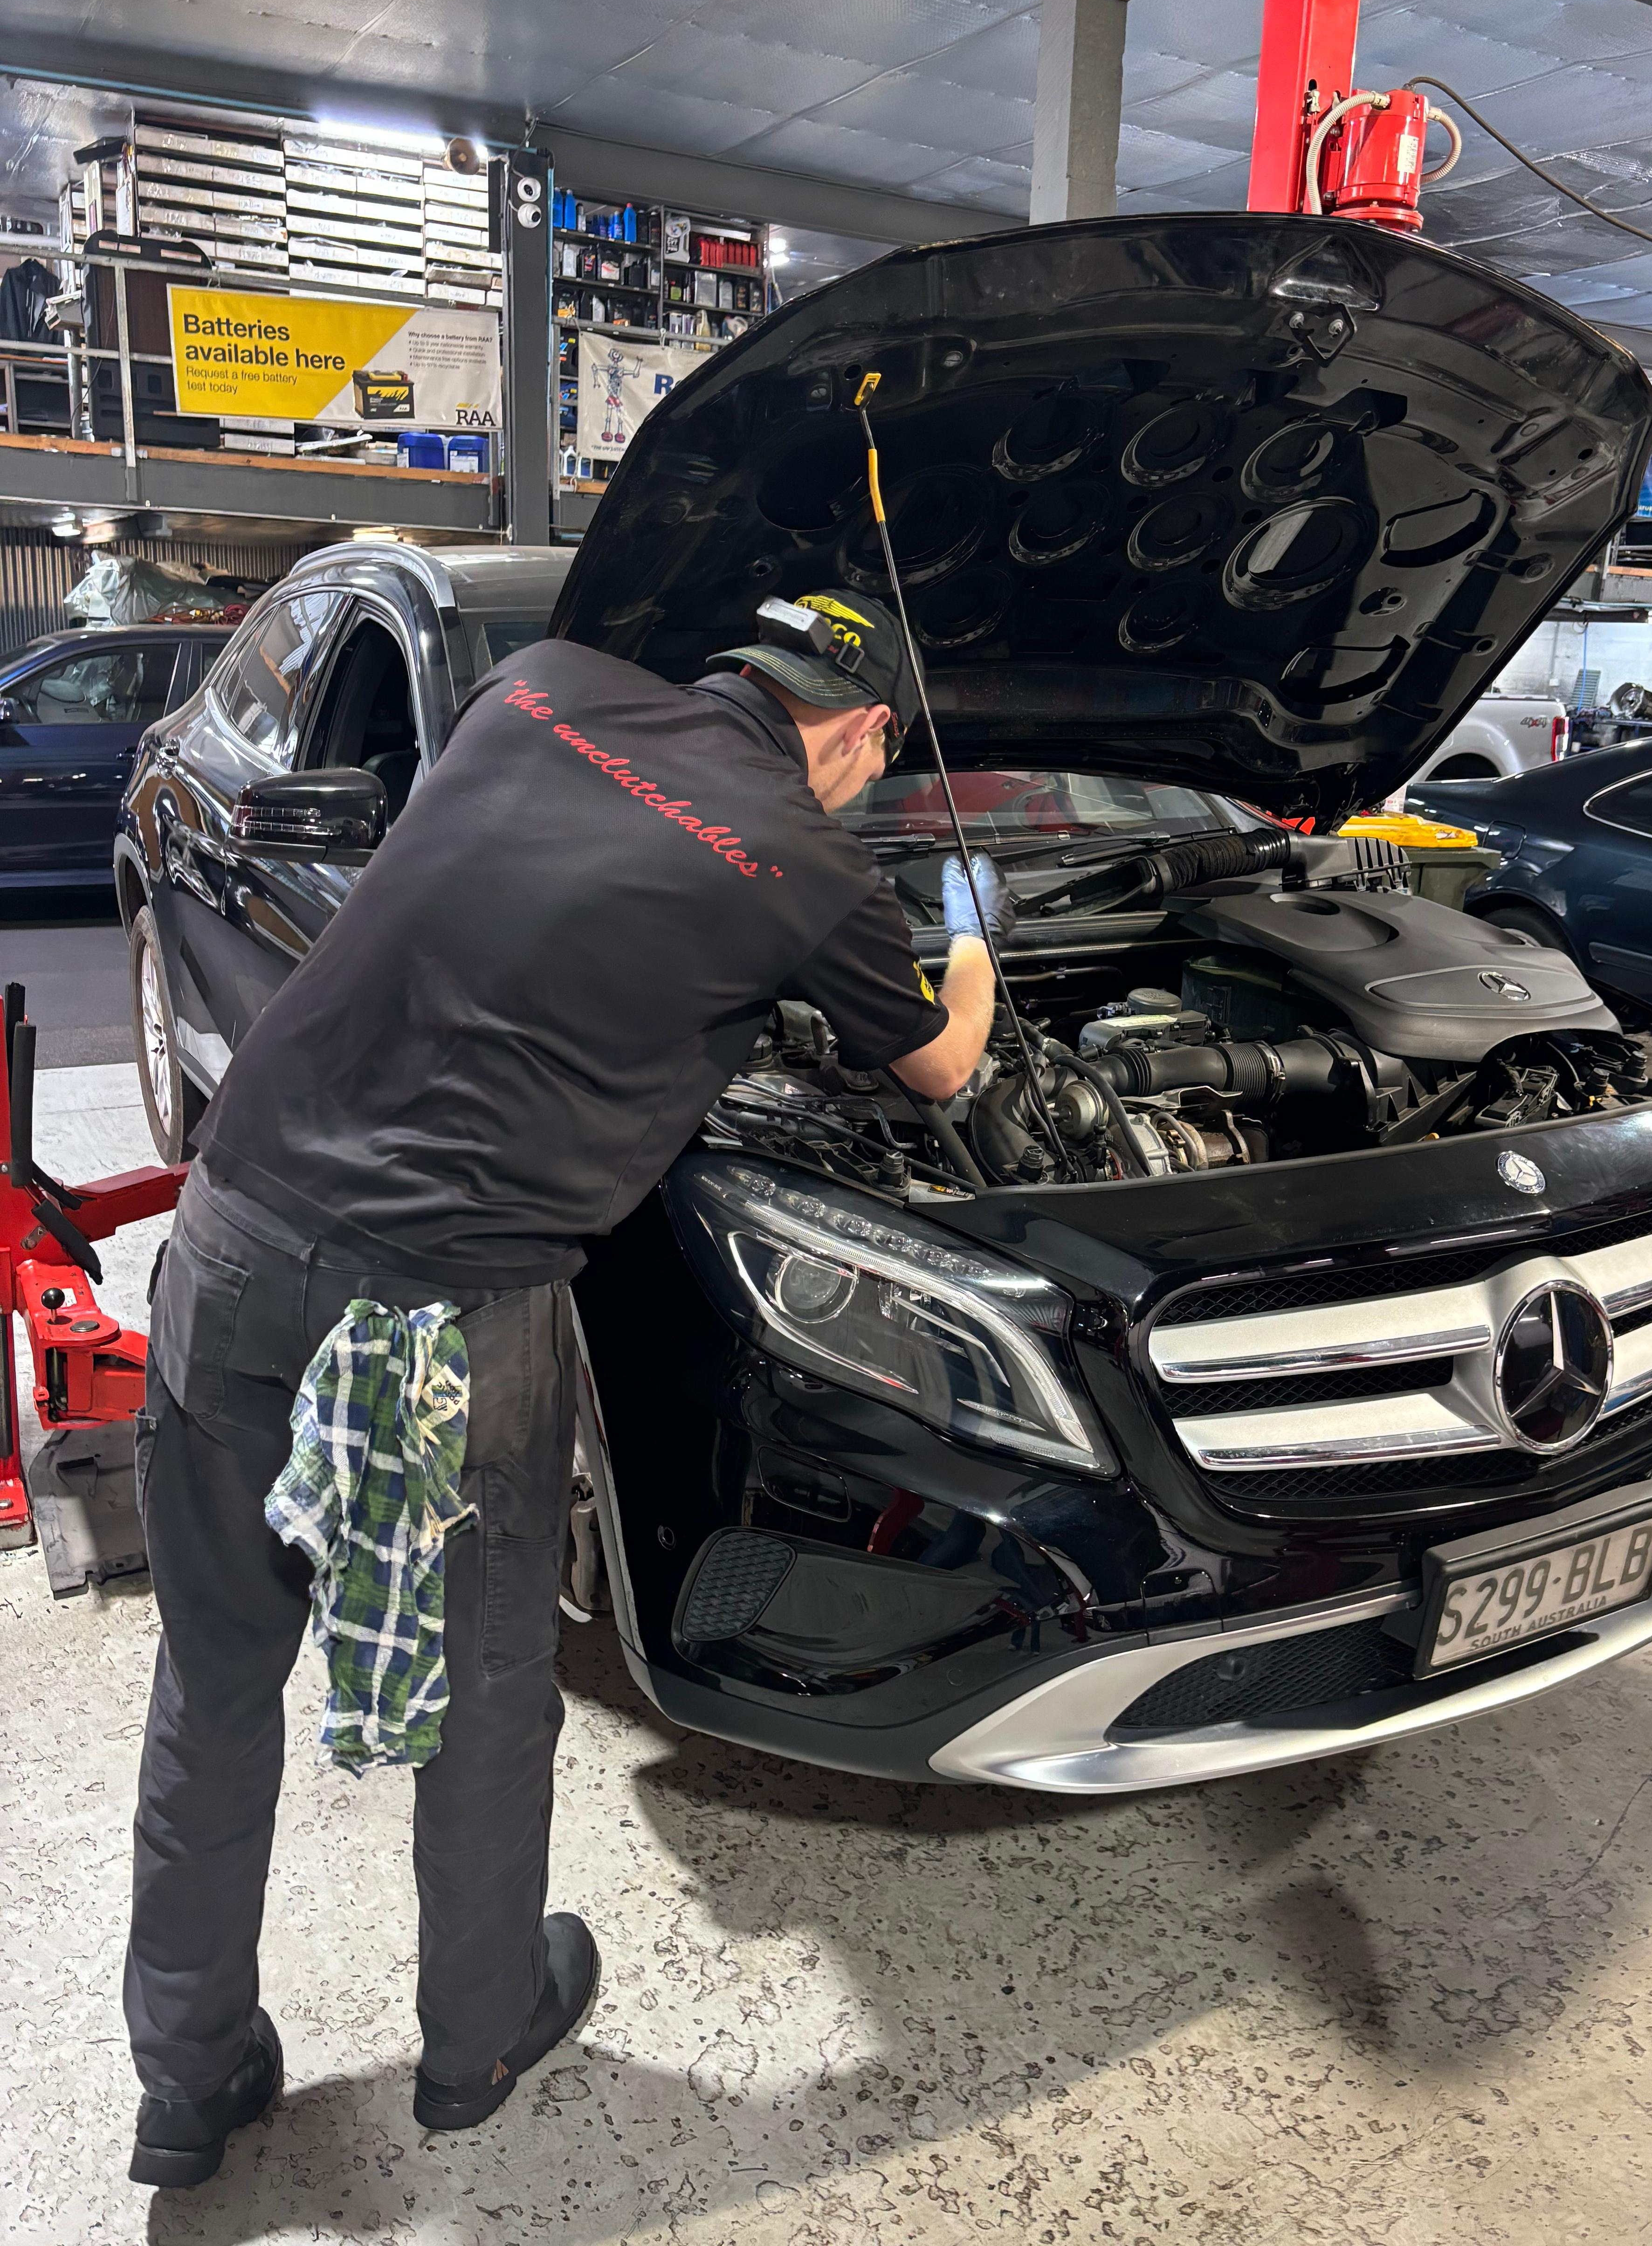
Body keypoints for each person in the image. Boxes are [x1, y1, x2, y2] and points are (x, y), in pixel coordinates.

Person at [124, 589, 1009, 2187]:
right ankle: (475, 2039)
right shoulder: (814, 869)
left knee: (215, 1667)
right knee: (483, 1684)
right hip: (451, 1313)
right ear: (867, 730)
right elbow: (942, 1073)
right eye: (876, 763)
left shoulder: (533, 686)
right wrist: (971, 964)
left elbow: (539, 898)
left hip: (241, 1231)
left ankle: (186, 2082)